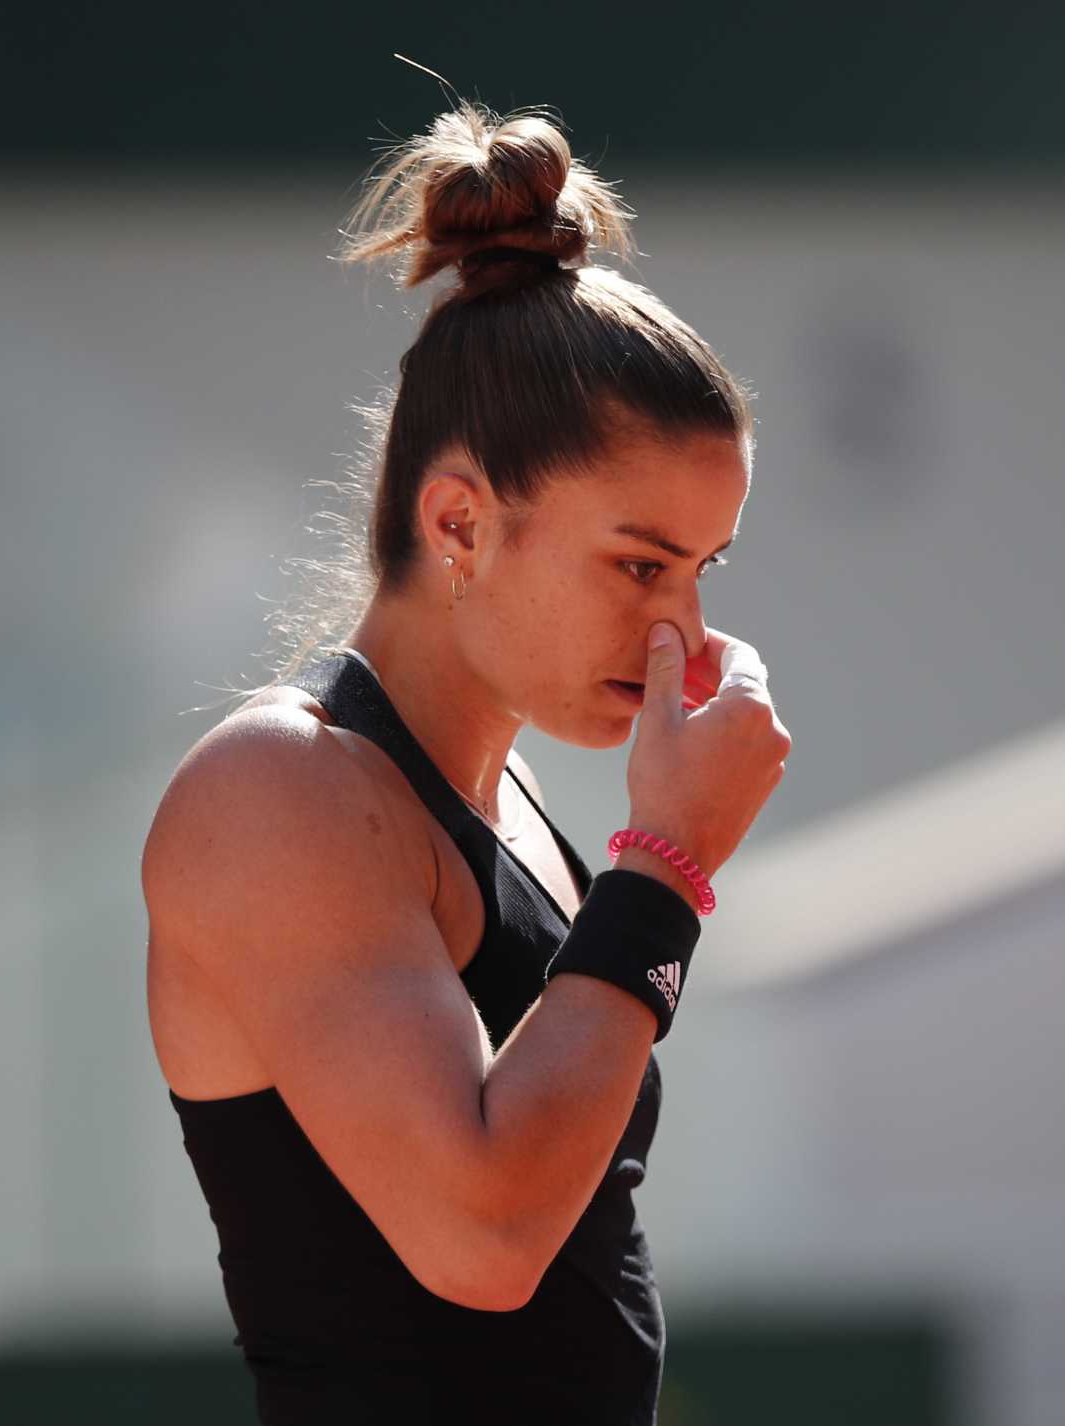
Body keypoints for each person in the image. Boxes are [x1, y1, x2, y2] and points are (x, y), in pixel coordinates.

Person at [140, 98, 791, 1424]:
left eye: (701, 570)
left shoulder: (514, 799)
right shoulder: (277, 791)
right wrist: (666, 864)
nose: (682, 632)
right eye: (641, 566)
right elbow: (483, 1238)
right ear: (460, 525)